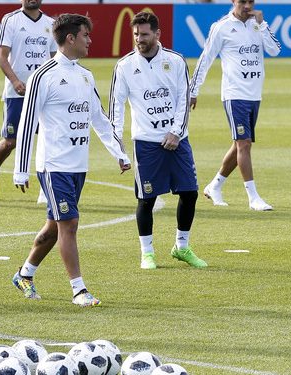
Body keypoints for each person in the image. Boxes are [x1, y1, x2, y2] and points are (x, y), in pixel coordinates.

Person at [11, 13, 131, 307]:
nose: (90, 41)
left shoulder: (85, 75)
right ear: (70, 38)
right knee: (70, 222)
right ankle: (78, 289)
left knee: (55, 226)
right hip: (54, 165)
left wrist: (119, 153)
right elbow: (27, 124)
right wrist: (21, 170)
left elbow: (99, 119)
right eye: (86, 36)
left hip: (78, 165)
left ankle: (24, 274)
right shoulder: (43, 76)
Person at [109, 12, 207, 270]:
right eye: (136, 35)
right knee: (146, 200)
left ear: (157, 34)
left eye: (144, 34)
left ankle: (182, 247)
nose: (139, 39)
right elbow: (116, 107)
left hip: (178, 140)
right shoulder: (125, 66)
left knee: (189, 193)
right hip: (146, 143)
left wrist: (176, 132)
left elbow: (184, 100)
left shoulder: (175, 61)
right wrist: (116, 145)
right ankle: (147, 253)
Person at [189, 0, 281, 211]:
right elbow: (206, 59)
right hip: (234, 94)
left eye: (251, 1)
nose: (247, 6)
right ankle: (253, 198)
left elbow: (275, 50)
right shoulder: (221, 27)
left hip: (254, 94)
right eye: (243, 1)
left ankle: (214, 186)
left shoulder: (257, 24)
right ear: (233, 2)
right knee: (244, 144)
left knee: (240, 144)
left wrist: (263, 24)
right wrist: (194, 90)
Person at [0, 0, 57, 203]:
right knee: (10, 141)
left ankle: (45, 188)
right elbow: (2, 57)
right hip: (16, 92)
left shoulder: (50, 23)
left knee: (46, 139)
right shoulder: (10, 20)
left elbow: (54, 59)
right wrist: (15, 81)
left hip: (43, 93)